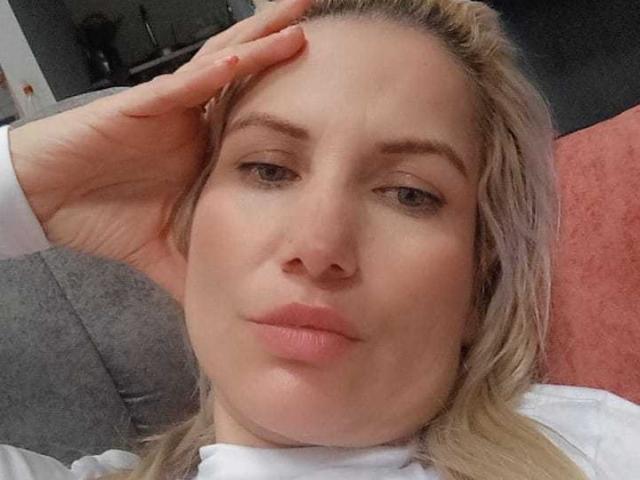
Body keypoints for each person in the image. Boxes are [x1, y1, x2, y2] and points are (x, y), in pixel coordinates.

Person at [0, 0, 638, 479]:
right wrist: (28, 180)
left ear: (479, 278)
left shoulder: (594, 450)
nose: (318, 244)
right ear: (190, 224)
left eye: (408, 193)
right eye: (267, 169)